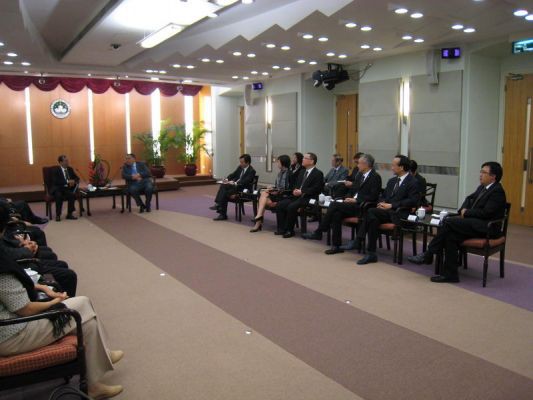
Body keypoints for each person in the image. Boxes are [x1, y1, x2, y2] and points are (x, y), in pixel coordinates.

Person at [0, 247, 124, 399]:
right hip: (13, 335)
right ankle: (96, 376)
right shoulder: (2, 272)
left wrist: (42, 287)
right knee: (82, 304)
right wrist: (55, 302)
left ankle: (95, 379)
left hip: (9, 329)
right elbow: (25, 310)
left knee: (87, 323)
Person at [408, 162, 507, 283]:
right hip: (474, 224)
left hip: (488, 228)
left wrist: (467, 212)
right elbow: (469, 199)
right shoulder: (482, 187)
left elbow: (487, 213)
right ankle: (450, 275)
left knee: (449, 222)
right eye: (480, 172)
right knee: (451, 235)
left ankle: (429, 254)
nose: (480, 175)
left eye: (484, 172)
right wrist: (463, 210)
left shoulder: (497, 192)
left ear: (493, 176)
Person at [302, 154, 382, 254]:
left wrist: (357, 200)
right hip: (352, 205)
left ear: (366, 164)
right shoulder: (359, 175)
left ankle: (320, 231)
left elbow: (373, 196)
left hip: (362, 207)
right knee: (336, 214)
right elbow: (352, 190)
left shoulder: (375, 177)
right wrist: (347, 198)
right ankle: (336, 246)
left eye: (359, 163)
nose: (357, 165)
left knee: (334, 205)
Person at [0, 205, 77, 297]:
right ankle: (62, 301)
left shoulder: (3, 235)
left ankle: (58, 294)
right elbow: (8, 254)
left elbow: (6, 246)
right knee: (69, 275)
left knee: (59, 262)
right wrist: (27, 249)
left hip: (19, 261)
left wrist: (22, 244)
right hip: (20, 268)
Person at [356, 155, 420, 265]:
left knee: (371, 212)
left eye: (393, 165)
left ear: (402, 167)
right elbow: (383, 196)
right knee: (373, 218)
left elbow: (412, 201)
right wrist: (382, 203)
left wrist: (391, 205)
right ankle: (371, 254)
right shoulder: (392, 181)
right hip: (386, 213)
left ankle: (360, 241)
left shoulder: (413, 182)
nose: (391, 167)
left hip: (400, 214)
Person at [275, 152, 324, 238]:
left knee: (291, 206)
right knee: (280, 204)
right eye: (303, 158)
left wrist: (302, 191)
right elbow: (296, 185)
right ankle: (281, 228)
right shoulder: (302, 171)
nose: (302, 160)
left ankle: (289, 230)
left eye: (305, 158)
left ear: (312, 161)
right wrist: (295, 190)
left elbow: (316, 189)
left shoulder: (318, 173)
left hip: (308, 197)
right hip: (297, 196)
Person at [250, 155, 294, 233]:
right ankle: (259, 217)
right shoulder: (280, 173)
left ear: (283, 163)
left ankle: (258, 221)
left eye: (278, 162)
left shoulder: (290, 174)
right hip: (277, 195)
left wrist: (276, 191)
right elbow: (278, 186)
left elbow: (290, 190)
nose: (277, 163)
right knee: (263, 193)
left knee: (263, 198)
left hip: (284, 197)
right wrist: (272, 188)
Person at [211, 154, 256, 221]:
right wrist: (227, 179)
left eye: (242, 162)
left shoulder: (252, 171)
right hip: (234, 188)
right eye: (240, 162)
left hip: (243, 190)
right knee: (224, 186)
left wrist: (235, 183)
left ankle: (220, 209)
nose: (240, 164)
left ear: (247, 162)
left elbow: (245, 181)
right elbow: (232, 174)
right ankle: (220, 208)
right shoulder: (240, 167)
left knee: (224, 190)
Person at [51, 155, 79, 221]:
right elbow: (55, 181)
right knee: (58, 196)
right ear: (61, 162)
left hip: (67, 189)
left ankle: (69, 214)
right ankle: (58, 215)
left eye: (67, 160)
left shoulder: (70, 169)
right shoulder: (56, 170)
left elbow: (77, 178)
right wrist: (67, 181)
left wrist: (73, 181)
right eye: (65, 161)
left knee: (72, 195)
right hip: (58, 188)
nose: (67, 162)